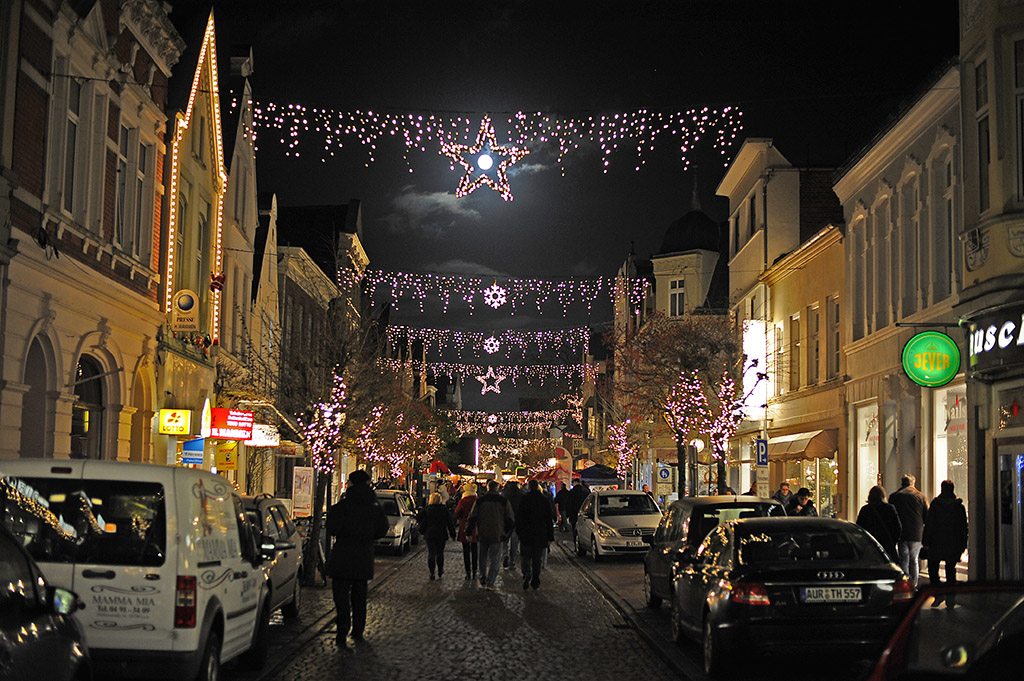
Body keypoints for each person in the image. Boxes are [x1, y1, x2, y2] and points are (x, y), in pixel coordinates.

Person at [326, 469, 389, 649]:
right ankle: (358, 629)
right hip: (363, 554)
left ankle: (343, 626)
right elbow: (382, 528)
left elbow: (332, 527)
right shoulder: (373, 508)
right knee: (360, 596)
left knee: (341, 595)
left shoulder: (343, 506)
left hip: (343, 555)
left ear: (351, 484)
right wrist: (369, 537)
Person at [923, 480, 968, 601]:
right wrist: (963, 545)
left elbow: (929, 525)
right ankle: (950, 598)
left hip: (936, 542)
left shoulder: (935, 505)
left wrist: (925, 542)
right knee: (950, 571)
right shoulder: (959, 507)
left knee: (933, 569)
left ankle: (938, 594)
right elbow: (963, 528)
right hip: (953, 543)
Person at [468, 480, 515, 590]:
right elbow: (510, 519)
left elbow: (472, 516)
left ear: (488, 488)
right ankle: (490, 582)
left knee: (482, 557)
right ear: (497, 488)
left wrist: (469, 531)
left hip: (482, 533)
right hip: (497, 533)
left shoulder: (480, 500)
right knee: (495, 559)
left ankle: (482, 577)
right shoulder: (503, 501)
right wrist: (505, 532)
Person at [516, 479, 556, 590]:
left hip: (526, 533)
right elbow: (548, 520)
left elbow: (519, 518)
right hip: (540, 533)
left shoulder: (525, 499)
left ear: (529, 487)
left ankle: (526, 572)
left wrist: (519, 532)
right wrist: (550, 536)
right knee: (537, 559)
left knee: (525, 556)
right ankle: (535, 579)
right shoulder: (544, 500)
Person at [890, 474, 929, 587]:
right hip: (916, 533)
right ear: (913, 483)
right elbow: (927, 516)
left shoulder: (895, 497)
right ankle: (914, 585)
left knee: (904, 560)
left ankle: (904, 584)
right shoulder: (921, 496)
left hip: (901, 533)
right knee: (914, 560)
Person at [855, 485, 902, 562]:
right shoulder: (889, 508)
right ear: (883, 496)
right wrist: (893, 541)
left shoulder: (865, 510)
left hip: (870, 545)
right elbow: (897, 527)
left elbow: (859, 527)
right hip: (886, 544)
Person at [418, 492, 456, 581]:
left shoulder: (427, 509)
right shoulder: (444, 510)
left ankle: (432, 572)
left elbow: (419, 518)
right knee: (440, 553)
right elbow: (449, 523)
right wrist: (453, 534)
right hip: (441, 534)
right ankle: (440, 569)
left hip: (430, 534)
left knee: (431, 554)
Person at [453, 482, 479, 580]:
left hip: (465, 525)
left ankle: (468, 571)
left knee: (466, 550)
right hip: (475, 526)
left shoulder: (463, 501)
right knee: (475, 550)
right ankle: (475, 570)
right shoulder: (477, 500)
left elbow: (456, 513)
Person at [501, 479, 525, 570]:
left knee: (504, 540)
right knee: (515, 543)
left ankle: (505, 553)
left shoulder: (504, 495)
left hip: (506, 521)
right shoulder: (521, 495)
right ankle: (512, 561)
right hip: (517, 521)